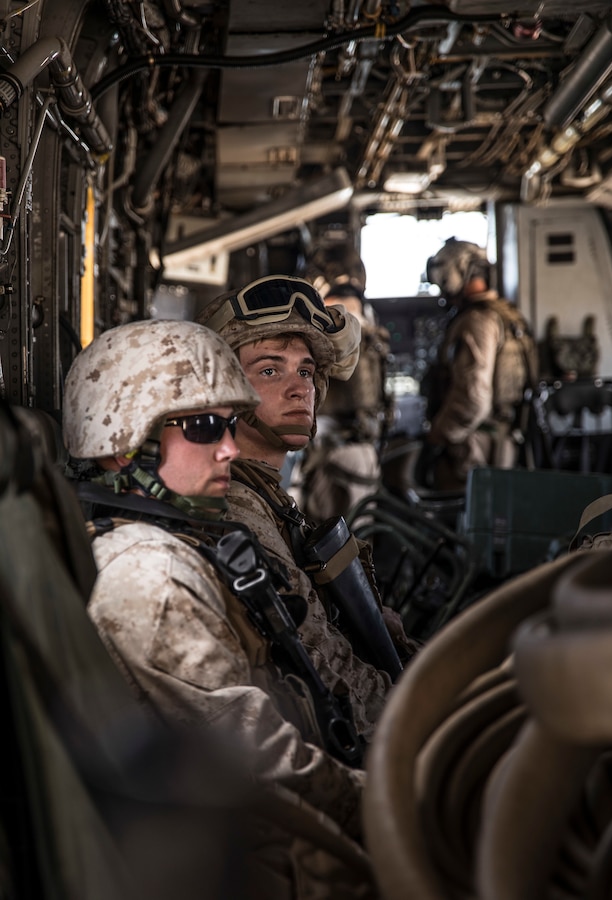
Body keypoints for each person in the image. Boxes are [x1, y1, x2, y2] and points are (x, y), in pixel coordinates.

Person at [61, 318, 378, 896]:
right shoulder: (150, 575)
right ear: (124, 441)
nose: (230, 448)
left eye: (230, 425)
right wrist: (382, 803)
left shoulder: (175, 545)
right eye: (206, 428)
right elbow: (256, 759)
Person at [196, 275, 416, 695]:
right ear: (222, 388)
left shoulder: (265, 498)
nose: (300, 389)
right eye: (269, 369)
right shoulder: (236, 513)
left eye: (306, 371)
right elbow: (327, 680)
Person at [421, 237, 538, 492]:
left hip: (473, 447)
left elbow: (472, 399)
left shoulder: (476, 321)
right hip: (501, 440)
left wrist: (437, 438)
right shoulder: (507, 315)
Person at [290, 278, 393, 523]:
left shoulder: (333, 340)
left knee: (321, 539)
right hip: (367, 453)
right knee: (360, 540)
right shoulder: (376, 341)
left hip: (332, 453)